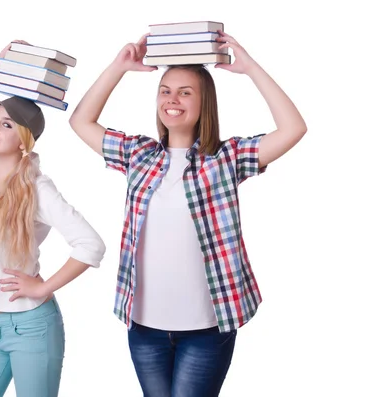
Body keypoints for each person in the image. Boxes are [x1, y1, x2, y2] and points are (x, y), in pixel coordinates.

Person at [68, 31, 307, 396]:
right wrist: (119, 67)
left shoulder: (225, 159)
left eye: (185, 92)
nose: (172, 99)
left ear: (203, 103)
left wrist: (251, 68)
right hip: (144, 326)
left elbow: (293, 129)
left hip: (208, 328)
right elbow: (80, 122)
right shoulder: (139, 155)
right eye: (165, 90)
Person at [0, 40, 106, 397]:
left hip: (31, 327)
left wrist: (43, 287)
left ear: (24, 140)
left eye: (7, 125)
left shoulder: (37, 189)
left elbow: (90, 245)